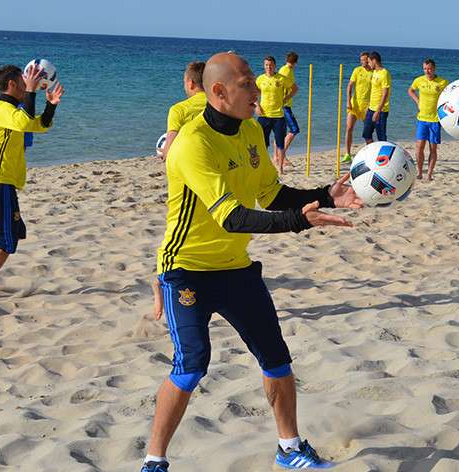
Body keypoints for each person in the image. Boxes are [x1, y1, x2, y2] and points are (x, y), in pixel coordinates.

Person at [140, 53, 364, 472]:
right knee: (191, 366)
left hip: (236, 267)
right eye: (247, 83)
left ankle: (289, 449)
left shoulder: (250, 131)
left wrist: (327, 196)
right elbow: (232, 217)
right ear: (219, 91)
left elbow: (271, 195)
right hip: (186, 270)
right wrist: (301, 221)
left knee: (276, 356)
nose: (258, 89)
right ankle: (154, 461)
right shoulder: (192, 143)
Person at [0, 65, 63, 303]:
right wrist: (32, 92)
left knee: (14, 232)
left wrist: (51, 105)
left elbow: (38, 125)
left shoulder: (12, 112)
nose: (28, 86)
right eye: (24, 82)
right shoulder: (2, 109)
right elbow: (26, 122)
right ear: (12, 84)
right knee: (7, 242)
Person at [157, 61, 206, 162]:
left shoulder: (179, 109)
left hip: (192, 161)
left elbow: (169, 150)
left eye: (184, 82)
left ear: (191, 83)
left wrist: (165, 152)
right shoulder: (220, 104)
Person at [408, 59, 449, 181]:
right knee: (420, 147)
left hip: (435, 120)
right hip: (421, 118)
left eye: (429, 69)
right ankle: (420, 172)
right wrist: (418, 101)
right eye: (425, 69)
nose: (427, 71)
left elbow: (451, 94)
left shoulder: (442, 82)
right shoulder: (419, 80)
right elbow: (410, 90)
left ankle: (429, 174)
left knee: (432, 148)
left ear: (434, 69)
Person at [256, 56, 295, 175]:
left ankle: (280, 169)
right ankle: (263, 167)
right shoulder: (260, 79)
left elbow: (295, 89)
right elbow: (254, 93)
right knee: (262, 144)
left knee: (280, 144)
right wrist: (256, 105)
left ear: (275, 66)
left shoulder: (281, 78)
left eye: (271, 65)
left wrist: (286, 99)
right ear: (264, 66)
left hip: (278, 116)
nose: (268, 67)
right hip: (264, 116)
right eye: (266, 65)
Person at [343, 52, 373, 162]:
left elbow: (375, 91)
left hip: (367, 107)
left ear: (368, 61)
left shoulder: (374, 72)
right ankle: (347, 154)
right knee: (349, 128)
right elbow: (349, 86)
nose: (361, 62)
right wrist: (348, 101)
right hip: (354, 105)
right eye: (361, 60)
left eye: (363, 60)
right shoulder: (357, 70)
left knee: (367, 132)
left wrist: (370, 105)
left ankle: (371, 153)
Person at [362, 51, 390, 144]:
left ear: (374, 61)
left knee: (381, 138)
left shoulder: (384, 73)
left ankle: (383, 152)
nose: (369, 64)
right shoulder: (374, 72)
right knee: (366, 135)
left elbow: (385, 94)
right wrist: (369, 105)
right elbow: (374, 91)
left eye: (369, 62)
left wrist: (378, 111)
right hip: (371, 109)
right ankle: (373, 151)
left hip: (381, 111)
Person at [279, 52, 300, 161]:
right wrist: (286, 99)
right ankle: (281, 155)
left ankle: (278, 156)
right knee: (294, 129)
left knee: (280, 130)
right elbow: (287, 87)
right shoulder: (288, 71)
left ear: (286, 59)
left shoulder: (282, 69)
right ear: (296, 61)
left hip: (281, 103)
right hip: (284, 105)